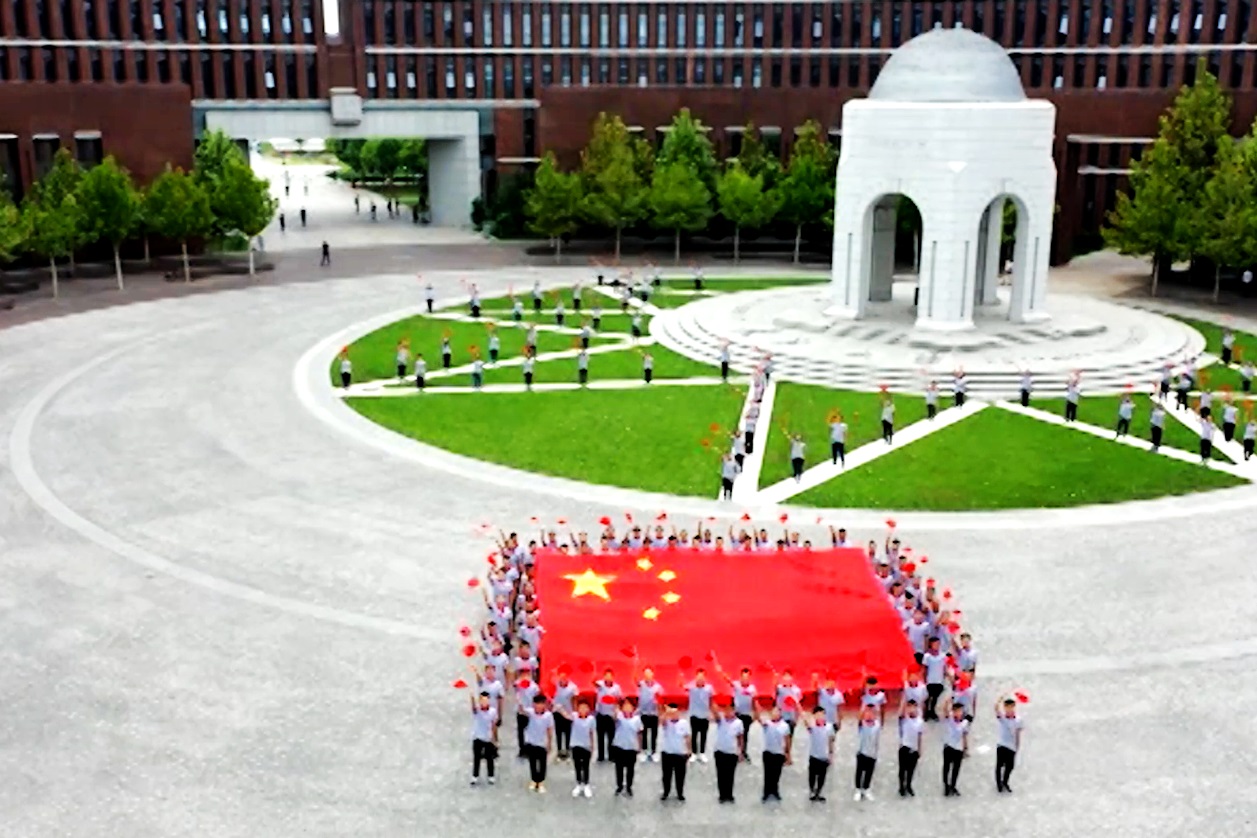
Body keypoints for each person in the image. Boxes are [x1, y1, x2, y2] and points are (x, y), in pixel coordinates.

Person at [721, 667, 757, 762]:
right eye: (743, 677)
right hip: (737, 714)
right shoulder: (736, 685)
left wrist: (756, 715)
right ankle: (735, 751)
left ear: (749, 678)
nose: (745, 679)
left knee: (745, 735)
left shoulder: (752, 689)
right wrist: (720, 671)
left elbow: (754, 702)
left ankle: (743, 752)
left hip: (747, 715)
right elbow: (727, 680)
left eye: (747, 677)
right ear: (740, 677)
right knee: (735, 734)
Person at [659, 704, 692, 802]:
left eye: (675, 712)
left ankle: (680, 793)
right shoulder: (667, 722)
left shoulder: (684, 723)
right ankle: (666, 791)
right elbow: (661, 721)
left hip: (680, 753)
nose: (674, 714)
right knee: (666, 775)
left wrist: (689, 749)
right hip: (667, 752)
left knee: (680, 775)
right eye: (672, 713)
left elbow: (687, 736)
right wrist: (667, 712)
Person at [713, 704, 744, 803]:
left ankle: (729, 794)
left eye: (730, 710)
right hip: (720, 750)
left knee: (730, 774)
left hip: (732, 752)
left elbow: (740, 738)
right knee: (721, 774)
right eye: (726, 710)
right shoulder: (721, 720)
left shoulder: (738, 723)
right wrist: (714, 704)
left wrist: (740, 751)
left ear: (734, 711)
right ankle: (722, 795)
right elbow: (715, 713)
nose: (728, 712)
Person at [523, 694, 555, 792]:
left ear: (544, 705)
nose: (539, 706)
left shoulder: (548, 716)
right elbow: (522, 710)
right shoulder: (531, 712)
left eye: (541, 704)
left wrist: (549, 743)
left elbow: (550, 729)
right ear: (533, 704)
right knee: (532, 762)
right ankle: (534, 780)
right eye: (537, 704)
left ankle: (541, 781)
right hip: (531, 742)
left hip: (542, 743)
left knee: (542, 763)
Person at [611, 699, 643, 797]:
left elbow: (639, 733)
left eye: (629, 706)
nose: (627, 708)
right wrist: (616, 709)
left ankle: (629, 786)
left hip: (631, 747)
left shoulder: (637, 719)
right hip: (619, 746)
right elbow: (614, 719)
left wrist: (639, 746)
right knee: (619, 768)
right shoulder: (619, 716)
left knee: (630, 769)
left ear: (633, 708)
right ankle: (619, 786)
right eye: (625, 706)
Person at [804, 708, 836, 802]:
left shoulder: (829, 727)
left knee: (822, 776)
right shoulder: (813, 726)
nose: (820, 717)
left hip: (824, 756)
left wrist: (831, 755)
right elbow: (806, 722)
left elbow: (831, 741)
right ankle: (812, 791)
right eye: (817, 715)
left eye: (822, 714)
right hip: (813, 755)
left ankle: (819, 791)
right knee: (812, 775)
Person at [994, 694, 1024, 793]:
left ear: (1014, 707)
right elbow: (996, 708)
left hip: (1012, 746)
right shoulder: (1002, 717)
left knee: (1010, 766)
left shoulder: (1018, 720)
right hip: (1002, 744)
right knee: (999, 765)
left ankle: (1005, 782)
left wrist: (1017, 746)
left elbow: (1018, 733)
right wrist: (1000, 699)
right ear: (1004, 707)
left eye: (1011, 707)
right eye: (1007, 707)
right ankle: (999, 784)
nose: (1009, 709)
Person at [759, 707, 790, 802]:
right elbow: (759, 719)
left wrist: (787, 753)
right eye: (774, 712)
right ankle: (766, 792)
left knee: (776, 774)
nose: (775, 714)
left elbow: (787, 739)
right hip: (768, 752)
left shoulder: (785, 726)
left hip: (779, 753)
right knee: (767, 774)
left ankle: (775, 791)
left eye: (777, 712)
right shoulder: (767, 723)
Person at [684, 669, 715, 763]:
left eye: (702, 677)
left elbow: (711, 701)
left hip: (705, 715)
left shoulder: (709, 688)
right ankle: (694, 753)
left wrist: (712, 713)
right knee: (694, 734)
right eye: (698, 677)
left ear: (705, 678)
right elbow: (682, 686)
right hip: (694, 715)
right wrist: (681, 676)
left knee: (703, 735)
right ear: (695, 677)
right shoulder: (691, 686)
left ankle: (702, 753)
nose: (700, 679)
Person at [470, 689, 499, 786]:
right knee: (476, 758)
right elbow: (473, 708)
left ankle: (491, 776)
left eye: (486, 700)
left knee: (489, 758)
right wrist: (472, 698)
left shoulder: (493, 711)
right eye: (482, 700)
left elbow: (494, 725)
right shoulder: (477, 710)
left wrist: (495, 739)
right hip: (477, 737)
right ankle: (475, 776)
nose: (484, 702)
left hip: (488, 738)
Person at [636, 666, 665, 762]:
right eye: (645, 673)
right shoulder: (641, 684)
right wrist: (635, 665)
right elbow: (635, 679)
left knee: (654, 734)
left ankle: (653, 752)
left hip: (654, 713)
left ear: (653, 674)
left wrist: (661, 715)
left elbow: (661, 701)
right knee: (643, 733)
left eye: (649, 673)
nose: (647, 675)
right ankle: (644, 752)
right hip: (643, 713)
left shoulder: (658, 687)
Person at [941, 700, 970, 796]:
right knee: (946, 767)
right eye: (956, 711)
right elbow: (945, 710)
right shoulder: (950, 719)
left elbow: (964, 735)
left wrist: (965, 748)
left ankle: (953, 786)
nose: (959, 713)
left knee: (956, 769)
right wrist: (947, 702)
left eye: (960, 711)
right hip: (949, 746)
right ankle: (946, 786)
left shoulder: (965, 722)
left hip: (958, 749)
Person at [897, 698, 924, 797]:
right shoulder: (904, 719)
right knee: (902, 769)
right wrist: (904, 700)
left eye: (914, 707)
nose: (912, 709)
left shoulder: (920, 721)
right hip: (904, 747)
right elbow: (900, 713)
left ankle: (908, 785)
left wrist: (919, 749)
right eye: (909, 707)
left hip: (914, 749)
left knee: (911, 770)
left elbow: (919, 735)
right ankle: (901, 787)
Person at [594, 670, 623, 761]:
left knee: (611, 736)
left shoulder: (617, 688)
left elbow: (619, 700)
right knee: (600, 736)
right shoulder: (600, 685)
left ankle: (611, 755)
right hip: (601, 714)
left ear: (613, 677)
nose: (608, 678)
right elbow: (594, 682)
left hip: (611, 715)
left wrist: (616, 712)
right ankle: (600, 756)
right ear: (604, 677)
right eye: (606, 676)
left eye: (610, 676)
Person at [853, 707, 881, 801]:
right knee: (859, 772)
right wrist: (864, 707)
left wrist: (876, 752)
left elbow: (877, 739)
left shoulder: (877, 726)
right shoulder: (862, 725)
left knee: (869, 772)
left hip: (872, 753)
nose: (869, 715)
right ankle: (858, 790)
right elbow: (859, 717)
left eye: (872, 713)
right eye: (867, 713)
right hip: (862, 752)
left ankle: (866, 789)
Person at [569, 700, 596, 797]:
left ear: (588, 709)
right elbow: (566, 715)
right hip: (575, 745)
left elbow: (591, 733)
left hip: (586, 745)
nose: (583, 710)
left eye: (585, 708)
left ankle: (586, 785)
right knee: (577, 766)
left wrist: (592, 746)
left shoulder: (591, 719)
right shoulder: (574, 716)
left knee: (586, 766)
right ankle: (578, 784)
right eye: (581, 708)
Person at [552, 671, 579, 760]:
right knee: (558, 732)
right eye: (561, 678)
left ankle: (567, 749)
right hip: (557, 711)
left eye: (564, 678)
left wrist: (575, 712)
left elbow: (575, 699)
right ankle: (559, 750)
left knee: (568, 732)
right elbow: (550, 681)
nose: (563, 680)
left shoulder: (573, 687)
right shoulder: (556, 684)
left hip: (568, 712)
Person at [921, 637, 947, 721]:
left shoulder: (942, 655)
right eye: (935, 644)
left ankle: (932, 711)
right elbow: (924, 668)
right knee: (928, 696)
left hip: (939, 680)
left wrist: (944, 677)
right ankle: (926, 712)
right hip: (930, 680)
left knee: (935, 697)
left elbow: (944, 667)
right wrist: (924, 679)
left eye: (938, 644)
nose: (937, 646)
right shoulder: (927, 656)